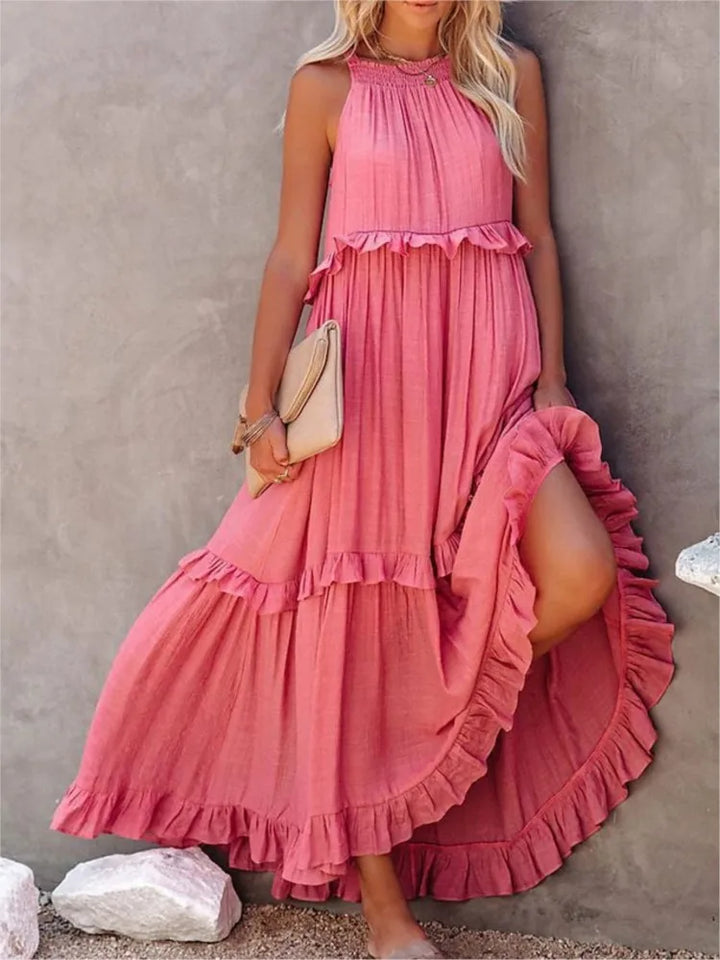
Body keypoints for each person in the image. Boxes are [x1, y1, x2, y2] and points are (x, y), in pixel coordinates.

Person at [50, 2, 677, 958]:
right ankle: (386, 913)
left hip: (492, 385)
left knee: (580, 573)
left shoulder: (508, 74)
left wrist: (552, 381)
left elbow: (538, 234)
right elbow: (292, 257)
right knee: (358, 638)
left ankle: (431, 715)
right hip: (371, 399)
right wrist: (259, 409)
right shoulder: (325, 87)